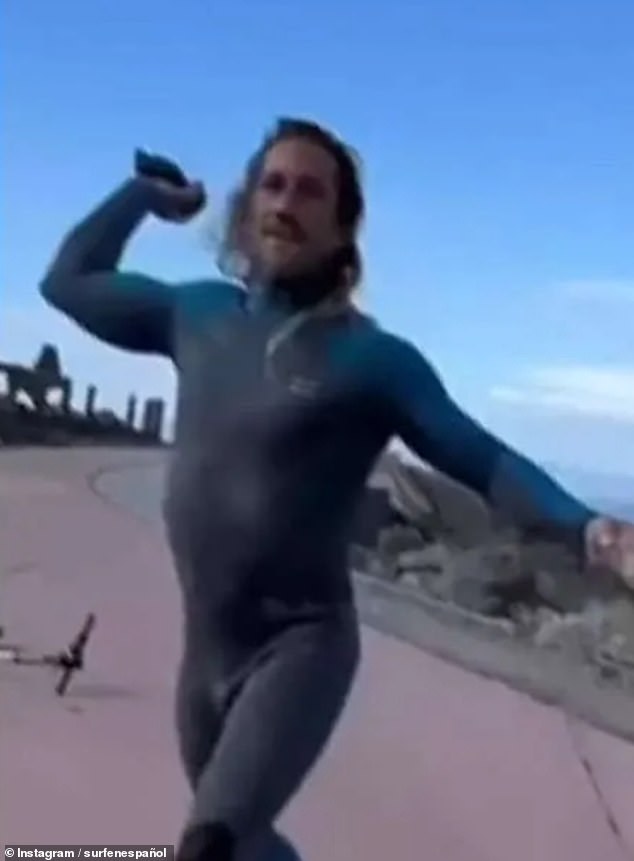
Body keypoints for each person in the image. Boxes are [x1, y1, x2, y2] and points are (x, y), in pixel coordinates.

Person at [40, 118, 634, 861]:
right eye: (273, 185)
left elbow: (479, 456)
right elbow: (67, 283)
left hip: (300, 646)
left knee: (211, 842)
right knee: (241, 839)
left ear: (343, 227)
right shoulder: (196, 314)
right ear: (246, 207)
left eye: (310, 191)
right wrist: (143, 194)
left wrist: (593, 531)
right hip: (207, 655)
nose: (286, 203)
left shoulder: (372, 360)